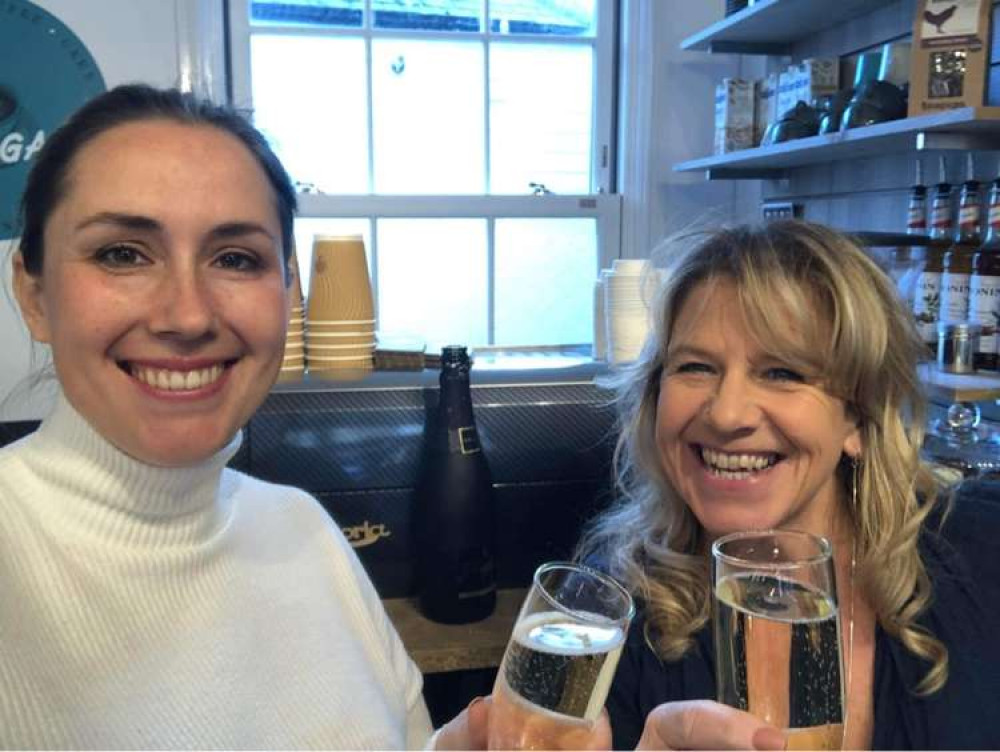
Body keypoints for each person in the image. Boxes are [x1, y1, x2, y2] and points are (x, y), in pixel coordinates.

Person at [0, 82, 491, 749]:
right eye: (122, 253)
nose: (189, 316)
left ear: (287, 289)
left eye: (236, 259)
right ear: (32, 292)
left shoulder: (302, 528)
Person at [579, 220, 1000, 750]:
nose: (727, 414)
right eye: (695, 366)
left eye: (782, 372)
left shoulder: (981, 549)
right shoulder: (603, 614)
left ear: (857, 418)